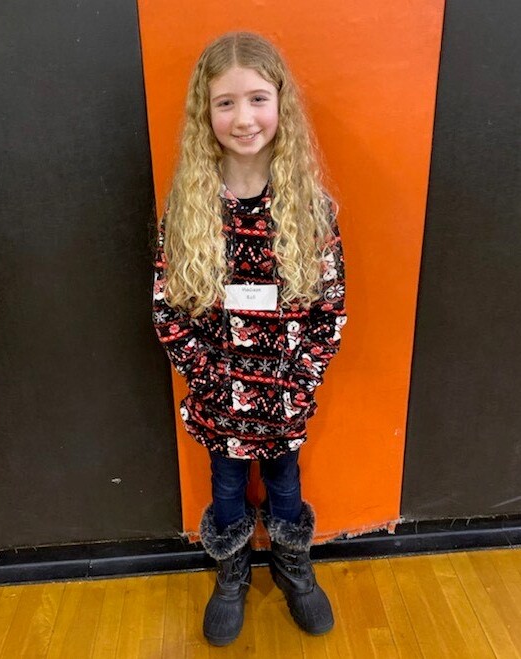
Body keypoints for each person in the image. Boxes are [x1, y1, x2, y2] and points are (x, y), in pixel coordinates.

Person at [152, 31, 347, 646]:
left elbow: (330, 311)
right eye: (226, 103)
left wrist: (293, 382)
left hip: (285, 396)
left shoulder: (310, 210)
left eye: (257, 99)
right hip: (220, 401)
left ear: (280, 105)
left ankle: (294, 567)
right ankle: (231, 573)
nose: (243, 118)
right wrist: (221, 381)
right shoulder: (187, 207)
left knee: (285, 483)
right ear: (204, 114)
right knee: (228, 486)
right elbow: (168, 312)